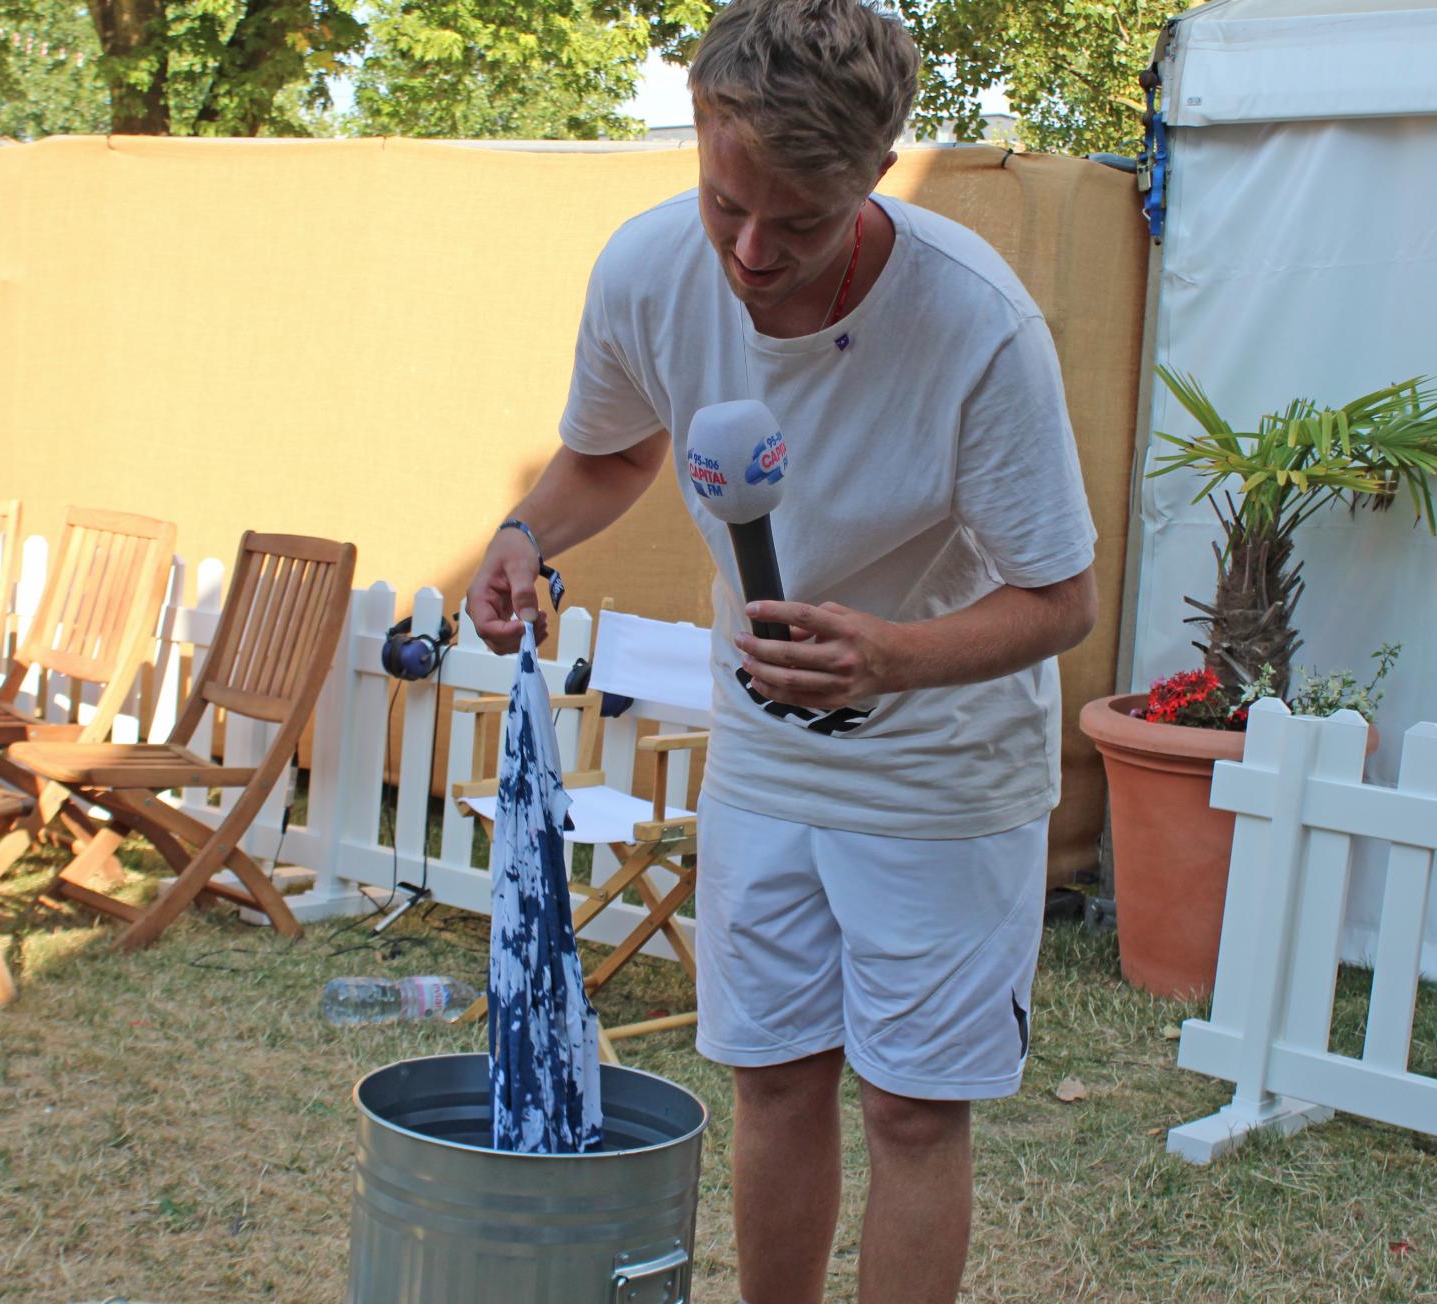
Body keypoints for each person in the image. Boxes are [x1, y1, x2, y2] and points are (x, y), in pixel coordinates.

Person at [466, 0, 1098, 1298]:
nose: (752, 253)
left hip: (942, 769)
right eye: (724, 204)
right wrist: (528, 535)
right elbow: (612, 454)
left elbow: (1059, 598)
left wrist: (892, 658)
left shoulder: (978, 328)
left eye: (799, 223)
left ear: (873, 175)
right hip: (766, 757)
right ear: (701, 131)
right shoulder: (647, 269)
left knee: (914, 1113)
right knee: (774, 1079)